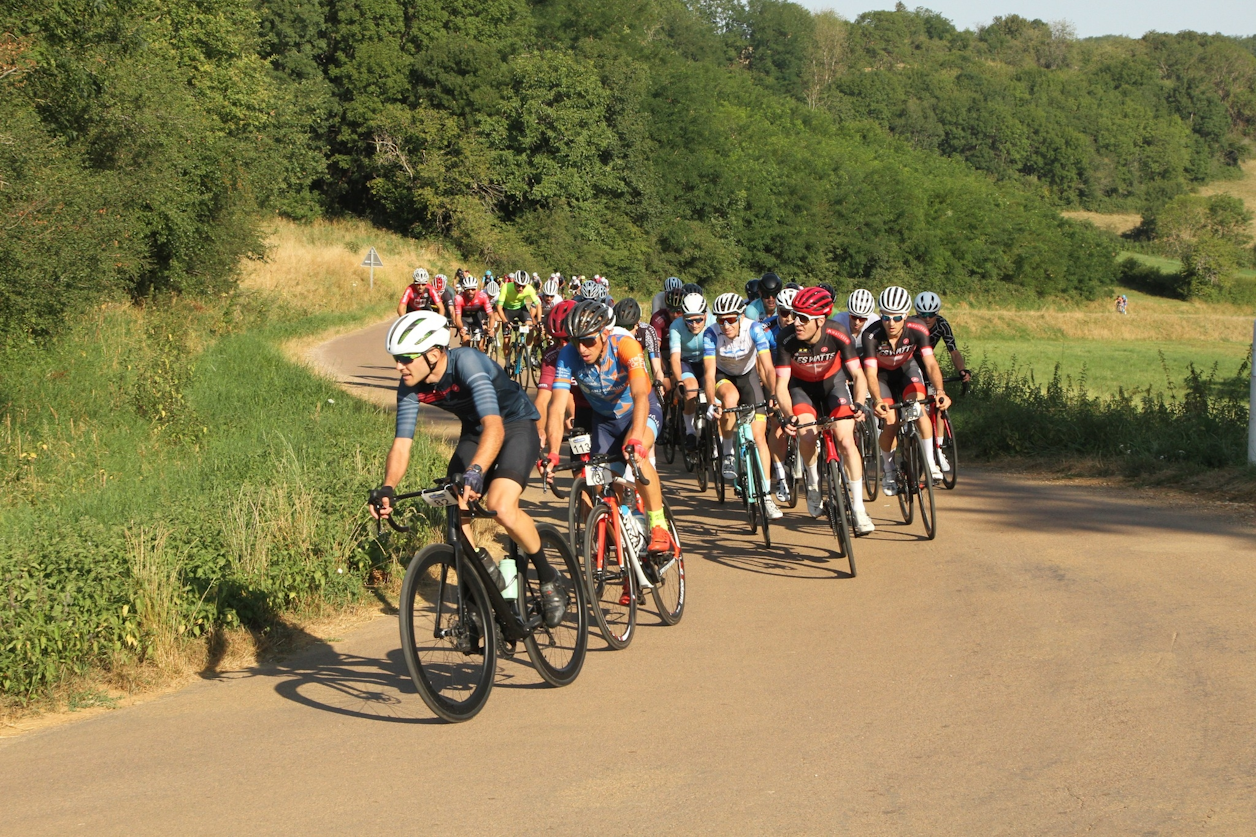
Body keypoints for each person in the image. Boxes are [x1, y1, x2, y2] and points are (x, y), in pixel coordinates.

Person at [368, 311, 566, 626]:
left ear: (433, 354)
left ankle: (548, 575)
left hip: (514, 425)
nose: (398, 366)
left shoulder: (467, 364)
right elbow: (402, 445)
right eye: (396, 358)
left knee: (499, 505)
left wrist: (476, 470)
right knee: (453, 501)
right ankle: (484, 575)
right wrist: (388, 487)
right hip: (475, 433)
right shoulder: (410, 385)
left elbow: (496, 428)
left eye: (405, 358)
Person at [542, 301, 674, 556]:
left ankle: (659, 525)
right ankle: (632, 541)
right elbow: (557, 407)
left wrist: (635, 438)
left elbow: (639, 395)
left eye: (589, 341)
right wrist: (553, 452)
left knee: (637, 454)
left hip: (641, 410)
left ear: (605, 333)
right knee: (606, 485)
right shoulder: (568, 355)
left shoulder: (625, 345)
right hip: (605, 421)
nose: (582, 349)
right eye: (576, 340)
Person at [773, 287, 874, 533]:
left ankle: (859, 509)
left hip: (833, 387)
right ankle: (814, 484)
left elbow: (858, 375)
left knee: (846, 441)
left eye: (803, 318)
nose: (796, 322)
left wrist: (859, 402)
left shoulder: (838, 333)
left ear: (820, 320)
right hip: (801, 390)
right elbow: (781, 385)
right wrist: (788, 416)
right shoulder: (786, 339)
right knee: (807, 435)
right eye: (795, 315)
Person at [862, 286, 952, 493]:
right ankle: (889, 469)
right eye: (885, 317)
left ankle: (930, 462)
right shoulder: (871, 335)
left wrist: (940, 391)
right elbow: (870, 372)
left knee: (919, 410)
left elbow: (930, 364)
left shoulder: (918, 328)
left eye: (896, 318)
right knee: (891, 422)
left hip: (906, 371)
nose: (890, 323)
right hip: (882, 377)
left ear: (905, 315)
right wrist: (877, 400)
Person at [703, 293, 782, 520]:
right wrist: (711, 401)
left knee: (759, 437)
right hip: (723, 376)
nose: (725, 325)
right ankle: (728, 450)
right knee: (730, 398)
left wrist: (774, 393)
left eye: (730, 319)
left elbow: (767, 368)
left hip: (748, 376)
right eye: (720, 320)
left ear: (740, 317)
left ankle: (766, 497)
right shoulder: (711, 334)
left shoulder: (754, 329)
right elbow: (708, 374)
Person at [669, 291, 715, 453]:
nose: (694, 324)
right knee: (691, 390)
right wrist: (679, 381)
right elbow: (675, 358)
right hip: (686, 362)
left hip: (707, 361)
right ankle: (690, 431)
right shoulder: (676, 327)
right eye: (689, 320)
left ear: (705, 314)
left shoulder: (713, 322)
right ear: (683, 317)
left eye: (698, 320)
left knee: (714, 390)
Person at [913, 291, 970, 386]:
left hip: (927, 360)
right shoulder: (911, 324)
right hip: (909, 361)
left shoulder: (942, 324)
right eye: (923, 314)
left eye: (931, 315)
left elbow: (954, 351)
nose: (927, 319)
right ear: (917, 313)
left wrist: (962, 370)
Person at [498, 270, 541, 360]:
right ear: (514, 282)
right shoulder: (506, 287)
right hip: (507, 310)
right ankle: (507, 362)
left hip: (521, 309)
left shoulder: (529, 289)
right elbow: (499, 307)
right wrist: (505, 321)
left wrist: (539, 321)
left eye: (523, 286)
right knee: (506, 339)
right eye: (518, 285)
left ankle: (527, 353)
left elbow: (538, 305)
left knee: (530, 327)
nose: (520, 288)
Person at [453, 275, 493, 352]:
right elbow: (457, 317)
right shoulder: (458, 298)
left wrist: (490, 328)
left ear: (476, 289)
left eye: (473, 289)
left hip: (476, 318)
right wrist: (461, 328)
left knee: (481, 346)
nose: (470, 292)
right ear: (464, 289)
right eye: (468, 289)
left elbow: (491, 315)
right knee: (466, 341)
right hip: (464, 319)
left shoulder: (483, 296)